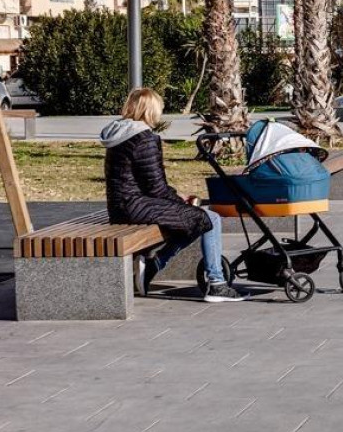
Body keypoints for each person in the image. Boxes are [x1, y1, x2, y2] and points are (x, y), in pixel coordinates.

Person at [102, 87, 243, 302]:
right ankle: (216, 284)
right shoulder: (144, 138)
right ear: (150, 111)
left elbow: (142, 182)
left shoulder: (119, 133)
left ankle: (155, 264)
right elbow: (156, 188)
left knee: (195, 218)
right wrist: (180, 201)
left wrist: (178, 200)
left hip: (120, 207)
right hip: (135, 207)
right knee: (208, 218)